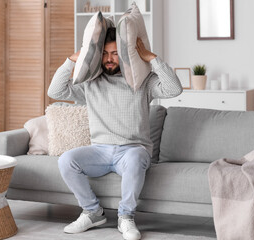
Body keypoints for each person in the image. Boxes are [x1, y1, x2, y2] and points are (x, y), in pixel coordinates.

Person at [47, 27, 182, 240]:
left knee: (136, 156)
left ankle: (126, 217)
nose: (109, 59)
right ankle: (92, 212)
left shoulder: (143, 81)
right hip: (99, 151)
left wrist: (151, 57)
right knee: (66, 160)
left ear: (125, 55)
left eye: (115, 54)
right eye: (104, 54)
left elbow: (174, 89)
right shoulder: (91, 82)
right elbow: (55, 92)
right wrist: (72, 60)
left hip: (133, 150)